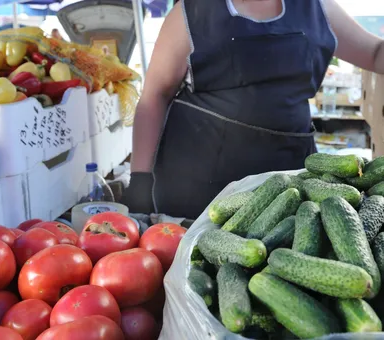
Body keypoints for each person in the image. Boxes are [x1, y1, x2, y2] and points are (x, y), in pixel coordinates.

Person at [122, 0, 384, 219]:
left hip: (287, 181)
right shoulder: (190, 15)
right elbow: (154, 97)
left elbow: (374, 53)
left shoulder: (317, 8)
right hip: (199, 188)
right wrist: (140, 182)